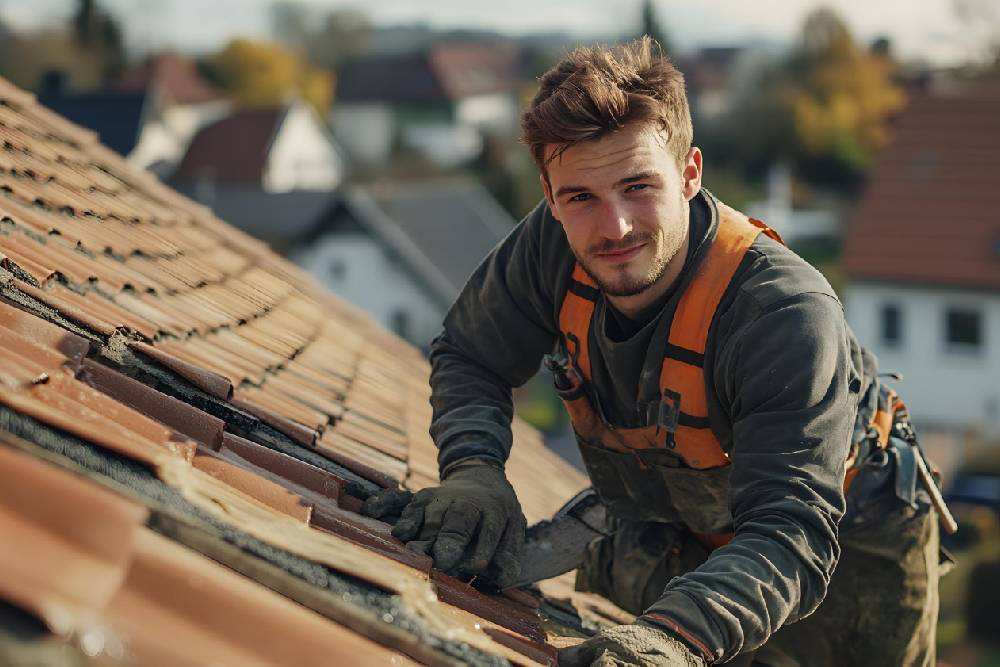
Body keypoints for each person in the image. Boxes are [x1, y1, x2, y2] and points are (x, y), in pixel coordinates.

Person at [362, 38, 942, 666]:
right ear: (551, 195)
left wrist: (670, 641)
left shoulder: (781, 314)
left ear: (690, 174)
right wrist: (474, 470)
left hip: (832, 543)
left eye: (638, 186)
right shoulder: (550, 249)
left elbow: (790, 531)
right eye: (580, 196)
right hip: (664, 517)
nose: (614, 228)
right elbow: (470, 354)